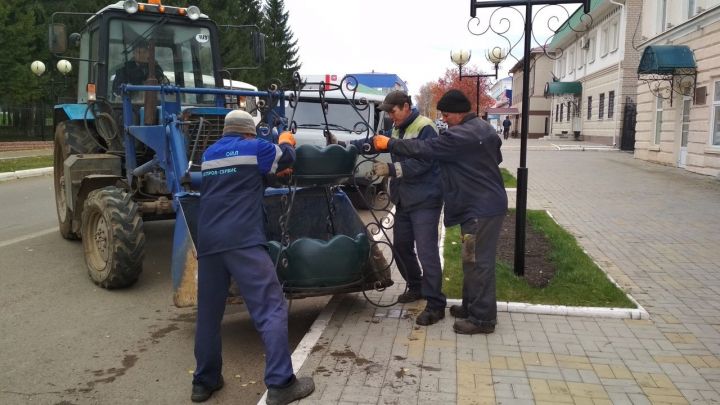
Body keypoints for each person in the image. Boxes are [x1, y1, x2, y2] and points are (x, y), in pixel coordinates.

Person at [192, 110, 315, 404]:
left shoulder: (209, 154)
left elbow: (237, 181)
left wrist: (267, 175)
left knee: (208, 316)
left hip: (208, 241)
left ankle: (204, 382)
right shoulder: (255, 147)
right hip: (242, 240)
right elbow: (285, 158)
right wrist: (286, 140)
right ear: (249, 132)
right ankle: (281, 383)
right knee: (270, 307)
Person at [370, 89, 507, 335]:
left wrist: (390, 144)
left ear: (458, 113)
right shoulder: (483, 128)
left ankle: (483, 319)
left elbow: (428, 149)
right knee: (470, 259)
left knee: (479, 262)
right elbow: (495, 157)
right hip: (478, 205)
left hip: (480, 208)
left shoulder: (461, 135)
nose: (444, 119)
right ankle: (469, 306)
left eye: (446, 114)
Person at [368, 90, 446, 326]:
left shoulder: (426, 127)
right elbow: (379, 144)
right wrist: (343, 144)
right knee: (401, 246)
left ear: (405, 106)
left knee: (426, 252)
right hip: (404, 199)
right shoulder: (398, 128)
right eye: (388, 113)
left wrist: (390, 171)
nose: (391, 117)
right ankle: (416, 286)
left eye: (393, 111)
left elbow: (424, 163)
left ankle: (436, 305)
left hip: (425, 200)